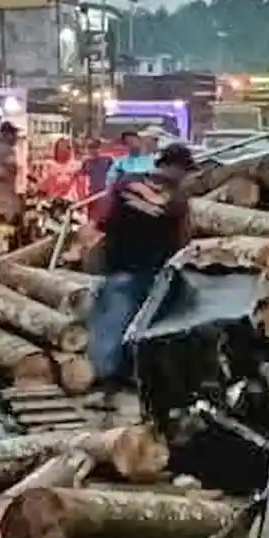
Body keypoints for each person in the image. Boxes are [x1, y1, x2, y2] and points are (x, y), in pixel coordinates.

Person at [89, 143, 196, 388]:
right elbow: (183, 239)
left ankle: (106, 378)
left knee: (111, 324)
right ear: (177, 169)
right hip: (152, 271)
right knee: (143, 325)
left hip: (118, 266)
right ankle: (124, 377)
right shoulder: (177, 199)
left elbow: (103, 221)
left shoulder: (126, 183)